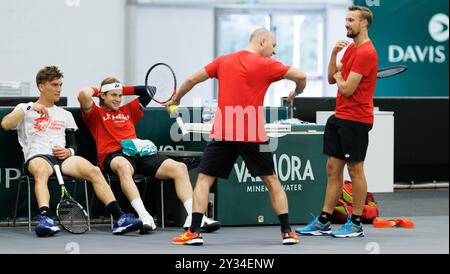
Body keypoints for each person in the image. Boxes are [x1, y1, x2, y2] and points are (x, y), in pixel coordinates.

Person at [168, 28, 307, 245]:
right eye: (274, 46)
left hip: (223, 133)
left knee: (204, 180)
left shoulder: (224, 61)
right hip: (253, 134)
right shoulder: (267, 65)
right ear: (262, 41)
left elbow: (191, 79)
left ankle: (194, 233)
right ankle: (287, 232)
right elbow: (302, 76)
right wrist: (297, 91)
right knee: (272, 180)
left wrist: (175, 99)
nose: (274, 52)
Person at [0, 66, 143, 237]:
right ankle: (45, 218)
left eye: (60, 84)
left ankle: (120, 219)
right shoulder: (25, 107)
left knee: (95, 171)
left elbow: (73, 145)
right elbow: (5, 124)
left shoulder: (65, 114)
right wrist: (30, 107)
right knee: (41, 170)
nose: (59, 89)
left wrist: (69, 151)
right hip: (37, 157)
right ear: (41, 86)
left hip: (63, 159)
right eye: (54, 85)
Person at [77, 78, 221, 234]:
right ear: (102, 96)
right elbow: (84, 94)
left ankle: (194, 217)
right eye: (113, 95)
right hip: (114, 155)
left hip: (141, 153)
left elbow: (150, 90)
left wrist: (119, 89)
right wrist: (102, 90)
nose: (118, 99)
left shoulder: (128, 110)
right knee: (123, 166)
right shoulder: (95, 114)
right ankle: (144, 216)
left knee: (180, 168)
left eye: (120, 95)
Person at [296, 5, 378, 238]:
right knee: (333, 170)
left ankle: (356, 223)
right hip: (340, 117)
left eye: (351, 20)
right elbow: (334, 80)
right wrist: (333, 55)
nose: (347, 23)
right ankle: (324, 220)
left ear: (364, 23)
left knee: (355, 170)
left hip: (356, 120)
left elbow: (348, 88)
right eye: (346, 19)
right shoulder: (351, 49)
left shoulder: (367, 52)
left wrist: (341, 74)